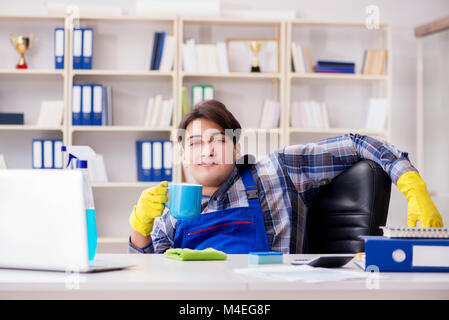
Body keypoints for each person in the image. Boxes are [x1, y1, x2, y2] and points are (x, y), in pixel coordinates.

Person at [129, 99, 443, 254]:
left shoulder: (277, 170)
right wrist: (138, 230)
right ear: (183, 156)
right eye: (195, 144)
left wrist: (412, 187)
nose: (206, 151)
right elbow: (152, 273)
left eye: (217, 140)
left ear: (236, 148)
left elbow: (357, 143)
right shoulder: (170, 208)